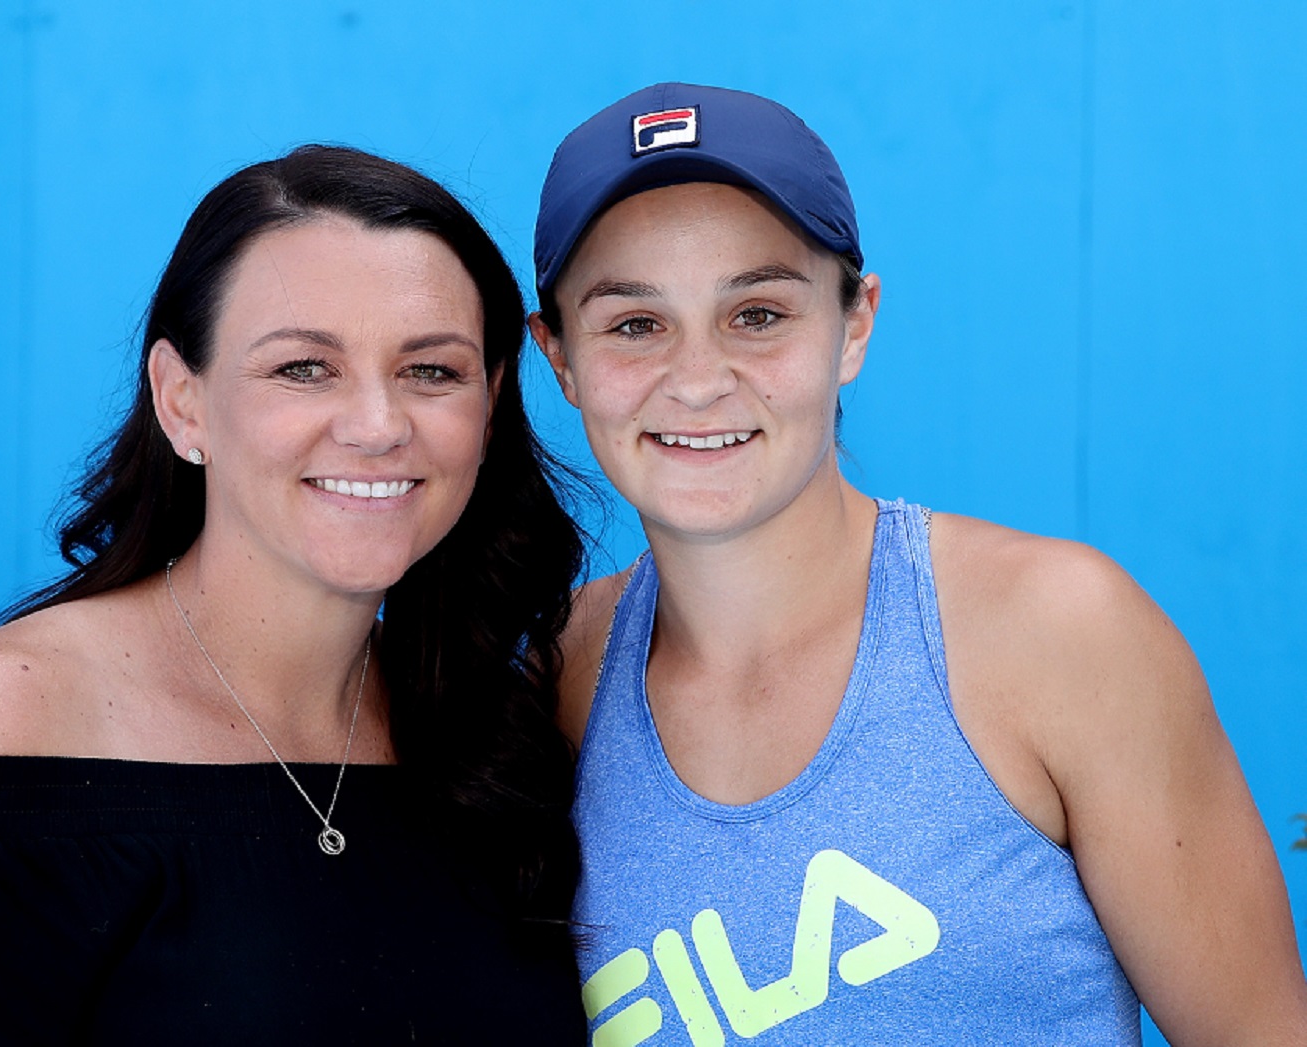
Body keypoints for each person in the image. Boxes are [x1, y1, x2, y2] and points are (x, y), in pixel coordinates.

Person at [529, 83, 1307, 1045]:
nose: (697, 379)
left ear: (855, 324)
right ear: (558, 357)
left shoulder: (1056, 632)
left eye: (759, 313)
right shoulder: (552, 682)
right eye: (635, 324)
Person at [0, 144, 587, 1043]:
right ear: (181, 401)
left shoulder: (496, 732)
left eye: (432, 370)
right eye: (304, 368)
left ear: (491, 405)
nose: (379, 426)